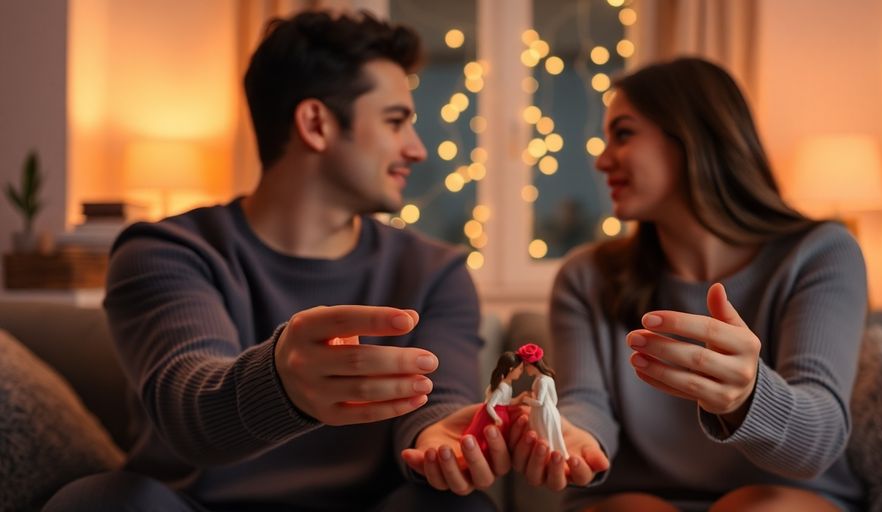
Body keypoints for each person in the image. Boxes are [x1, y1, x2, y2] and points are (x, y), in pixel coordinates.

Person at [45, 10, 506, 511]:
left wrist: (440, 436)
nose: (415, 150)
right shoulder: (166, 251)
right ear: (316, 123)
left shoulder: (436, 271)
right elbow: (188, 406)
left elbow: (437, 403)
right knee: (99, 501)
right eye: (396, 122)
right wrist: (281, 384)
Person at [508, 57, 869, 511]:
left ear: (693, 138)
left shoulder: (822, 254)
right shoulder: (585, 277)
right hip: (636, 499)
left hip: (790, 496)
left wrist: (748, 395)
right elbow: (586, 403)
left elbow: (817, 441)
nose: (601, 160)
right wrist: (570, 434)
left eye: (623, 133)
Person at [462, 351, 526, 453]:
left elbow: (506, 401)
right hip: (496, 414)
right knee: (487, 441)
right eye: (520, 369)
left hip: (503, 413)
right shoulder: (501, 388)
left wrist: (520, 398)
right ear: (511, 369)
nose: (521, 372)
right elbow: (490, 406)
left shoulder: (507, 385)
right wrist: (496, 418)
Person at [519, 344, 568, 459]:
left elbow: (540, 402)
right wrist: (551, 408)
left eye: (527, 366)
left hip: (542, 412)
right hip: (549, 410)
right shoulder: (546, 378)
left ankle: (551, 456)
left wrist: (526, 400)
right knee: (547, 435)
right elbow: (554, 399)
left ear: (533, 365)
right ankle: (554, 454)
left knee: (545, 436)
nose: (526, 370)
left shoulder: (542, 381)